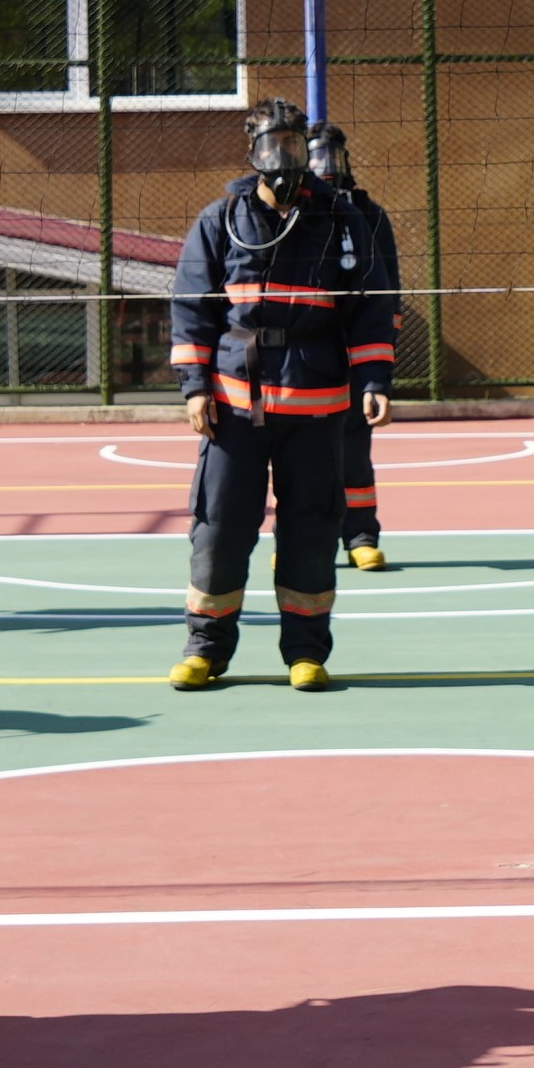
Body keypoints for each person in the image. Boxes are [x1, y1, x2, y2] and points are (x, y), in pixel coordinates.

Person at [167, 99, 397, 689]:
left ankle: (306, 652)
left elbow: (371, 308)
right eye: (273, 146)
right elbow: (192, 308)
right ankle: (207, 650)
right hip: (234, 408)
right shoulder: (220, 219)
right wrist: (195, 389)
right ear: (253, 152)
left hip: (317, 405)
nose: (285, 159)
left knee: (312, 528)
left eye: (294, 146)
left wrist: (373, 380)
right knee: (219, 527)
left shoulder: (344, 221)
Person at [307, 119, 401, 568]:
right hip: (299, 355)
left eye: (333, 156)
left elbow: (386, 292)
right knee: (297, 455)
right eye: (316, 156)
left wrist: (377, 372)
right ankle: (301, 539)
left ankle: (360, 533)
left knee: (353, 449)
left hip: (351, 352)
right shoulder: (287, 214)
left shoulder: (369, 215)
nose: (326, 166)